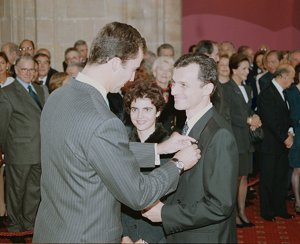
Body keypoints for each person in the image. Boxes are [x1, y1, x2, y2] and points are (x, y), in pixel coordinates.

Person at [33, 22, 200, 243]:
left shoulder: (57, 97)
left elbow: (91, 148)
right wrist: (177, 163)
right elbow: (138, 194)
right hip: (87, 235)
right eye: (133, 69)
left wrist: (158, 149)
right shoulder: (102, 121)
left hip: (51, 231)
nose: (132, 79)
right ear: (114, 63)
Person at [143, 53, 239, 243]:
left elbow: (220, 205)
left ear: (208, 88)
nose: (173, 91)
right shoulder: (185, 125)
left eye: (183, 85)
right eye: (174, 83)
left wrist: (166, 214)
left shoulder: (220, 135)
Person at [0, 55, 46, 232]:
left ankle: (29, 222)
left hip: (39, 151)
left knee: (34, 191)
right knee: (16, 191)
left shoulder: (39, 90)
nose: (28, 73)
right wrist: (3, 150)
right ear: (16, 70)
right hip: (18, 151)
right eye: (24, 69)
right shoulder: (7, 93)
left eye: (32, 69)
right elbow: (2, 125)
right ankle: (14, 225)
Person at [121, 80, 168, 243]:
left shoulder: (169, 147)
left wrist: (147, 239)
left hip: (157, 234)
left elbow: (172, 201)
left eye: (147, 109)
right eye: (135, 109)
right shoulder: (123, 144)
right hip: (127, 232)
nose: (140, 116)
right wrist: (124, 234)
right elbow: (118, 193)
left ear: (158, 112)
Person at [222, 53, 262, 228]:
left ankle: (242, 212)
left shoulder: (247, 88)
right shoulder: (225, 89)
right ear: (234, 70)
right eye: (244, 68)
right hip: (234, 139)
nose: (248, 71)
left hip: (246, 140)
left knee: (244, 177)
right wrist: (247, 120)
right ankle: (233, 216)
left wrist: (255, 118)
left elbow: (248, 111)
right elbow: (227, 115)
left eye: (248, 68)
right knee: (236, 179)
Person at [257, 63, 295, 221]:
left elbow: (287, 116)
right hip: (270, 145)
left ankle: (280, 209)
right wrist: (284, 137)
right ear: (283, 76)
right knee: (268, 179)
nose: (293, 81)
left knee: (280, 178)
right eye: (291, 78)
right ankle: (267, 212)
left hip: (281, 143)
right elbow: (270, 120)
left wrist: (290, 132)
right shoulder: (267, 93)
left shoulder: (283, 92)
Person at [285, 63, 300, 214]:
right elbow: (290, 114)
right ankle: (298, 200)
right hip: (297, 132)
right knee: (297, 168)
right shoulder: (291, 92)